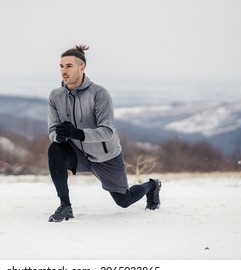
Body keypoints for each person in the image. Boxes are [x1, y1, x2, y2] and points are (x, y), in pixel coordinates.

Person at [47, 45, 161, 222]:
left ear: (82, 67)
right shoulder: (56, 96)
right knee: (55, 149)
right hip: (78, 153)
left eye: (69, 66)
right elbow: (52, 130)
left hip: (105, 156)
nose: (63, 70)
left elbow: (107, 131)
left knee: (124, 200)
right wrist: (59, 136)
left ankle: (152, 186)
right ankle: (65, 206)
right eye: (61, 66)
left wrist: (76, 133)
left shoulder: (99, 94)